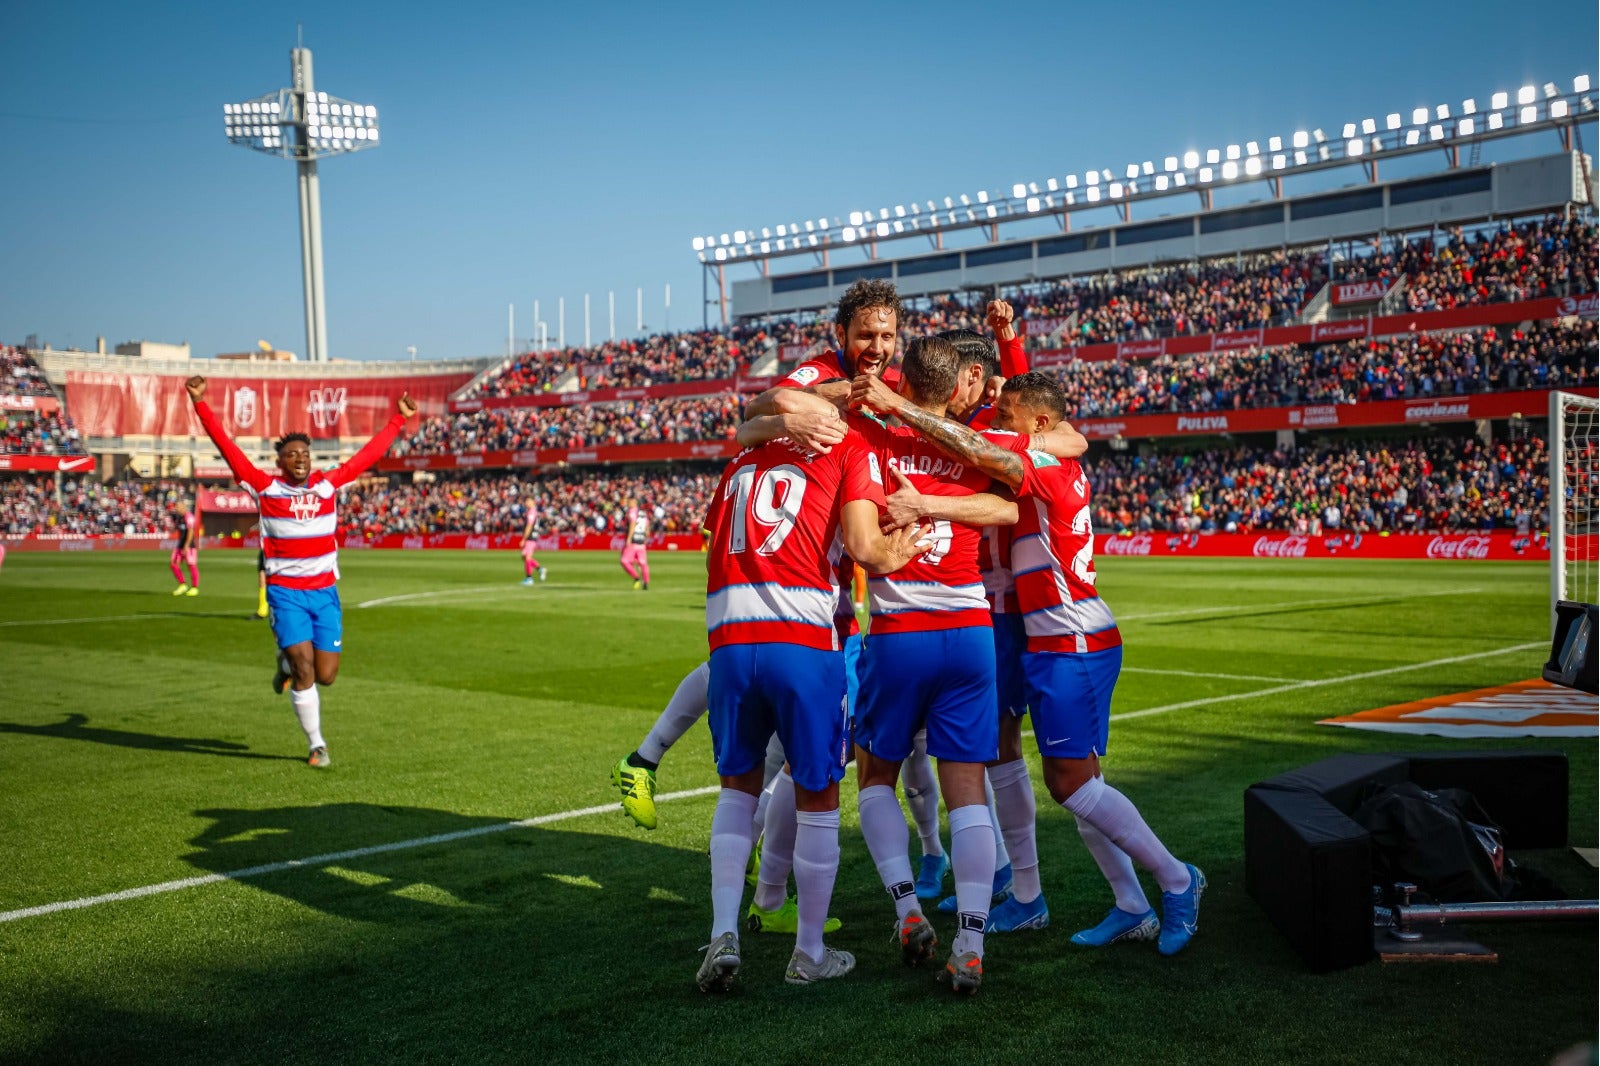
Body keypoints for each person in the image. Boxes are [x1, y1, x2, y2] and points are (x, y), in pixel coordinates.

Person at [862, 370, 1206, 957]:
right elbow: (1029, 428)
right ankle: (1130, 904)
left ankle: (1178, 879)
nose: (998, 418)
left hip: (1075, 640)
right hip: (1046, 640)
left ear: (1040, 423)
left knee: (1070, 782)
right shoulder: (1045, 451)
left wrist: (899, 412)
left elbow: (987, 447)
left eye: (1009, 413)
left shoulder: (1046, 466)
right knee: (1079, 780)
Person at [696, 406, 925, 992]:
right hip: (801, 639)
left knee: (737, 791)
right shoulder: (848, 449)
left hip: (728, 639)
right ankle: (809, 953)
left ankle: (724, 931)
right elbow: (865, 547)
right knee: (817, 793)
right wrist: (901, 550)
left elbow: (713, 540)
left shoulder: (742, 459)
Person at [845, 335, 1027, 995]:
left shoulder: (870, 440)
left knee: (875, 776)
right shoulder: (972, 445)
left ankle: (906, 910)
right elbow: (1011, 500)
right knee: (968, 788)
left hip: (901, 631)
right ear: (956, 389)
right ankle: (971, 943)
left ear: (902, 381)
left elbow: (861, 544)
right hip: (970, 632)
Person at [184, 374, 417, 768]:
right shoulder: (264, 487)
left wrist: (399, 419)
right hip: (286, 593)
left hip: (325, 594)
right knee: (305, 668)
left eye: (304, 454)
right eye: (291, 454)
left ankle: (284, 663)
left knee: (327, 675)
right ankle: (317, 745)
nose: (300, 459)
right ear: (280, 462)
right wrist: (200, 403)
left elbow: (366, 457)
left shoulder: (327, 486)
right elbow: (226, 446)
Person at [169, 499, 201, 596]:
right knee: (174, 564)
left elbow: (191, 531)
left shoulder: (189, 516)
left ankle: (194, 588)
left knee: (191, 565)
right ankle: (182, 585)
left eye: (178, 507)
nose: (176, 508)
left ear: (183, 507)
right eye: (176, 507)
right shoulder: (179, 517)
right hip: (180, 545)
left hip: (189, 546)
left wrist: (186, 545)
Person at [620, 500, 651, 590]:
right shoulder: (643, 513)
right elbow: (647, 528)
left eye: (630, 502)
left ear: (634, 503)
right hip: (641, 542)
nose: (628, 503)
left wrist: (629, 538)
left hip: (633, 541)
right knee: (643, 563)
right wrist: (645, 538)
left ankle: (636, 577)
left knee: (624, 561)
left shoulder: (632, 512)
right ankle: (646, 583)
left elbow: (632, 524)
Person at [520, 497, 548, 585]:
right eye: (526, 501)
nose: (526, 503)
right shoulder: (532, 511)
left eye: (528, 501)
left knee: (527, 557)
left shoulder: (532, 512)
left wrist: (524, 539)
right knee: (524, 557)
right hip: (531, 537)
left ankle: (529, 578)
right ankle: (540, 569)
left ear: (533, 502)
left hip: (531, 537)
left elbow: (529, 525)